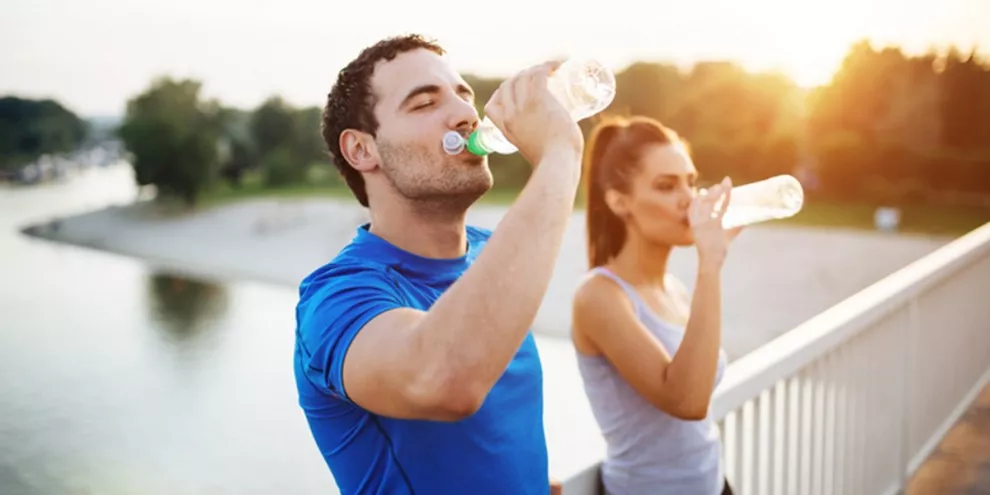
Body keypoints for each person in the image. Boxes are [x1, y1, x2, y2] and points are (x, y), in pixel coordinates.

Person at [293, 34, 581, 495]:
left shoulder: (492, 255)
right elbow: (444, 379)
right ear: (362, 150)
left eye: (464, 95)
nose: (466, 113)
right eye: (425, 103)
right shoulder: (333, 300)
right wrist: (560, 153)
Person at [570, 115, 741, 495]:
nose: (689, 199)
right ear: (619, 201)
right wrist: (710, 264)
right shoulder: (598, 296)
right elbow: (687, 400)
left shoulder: (674, 290)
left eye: (691, 182)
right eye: (667, 186)